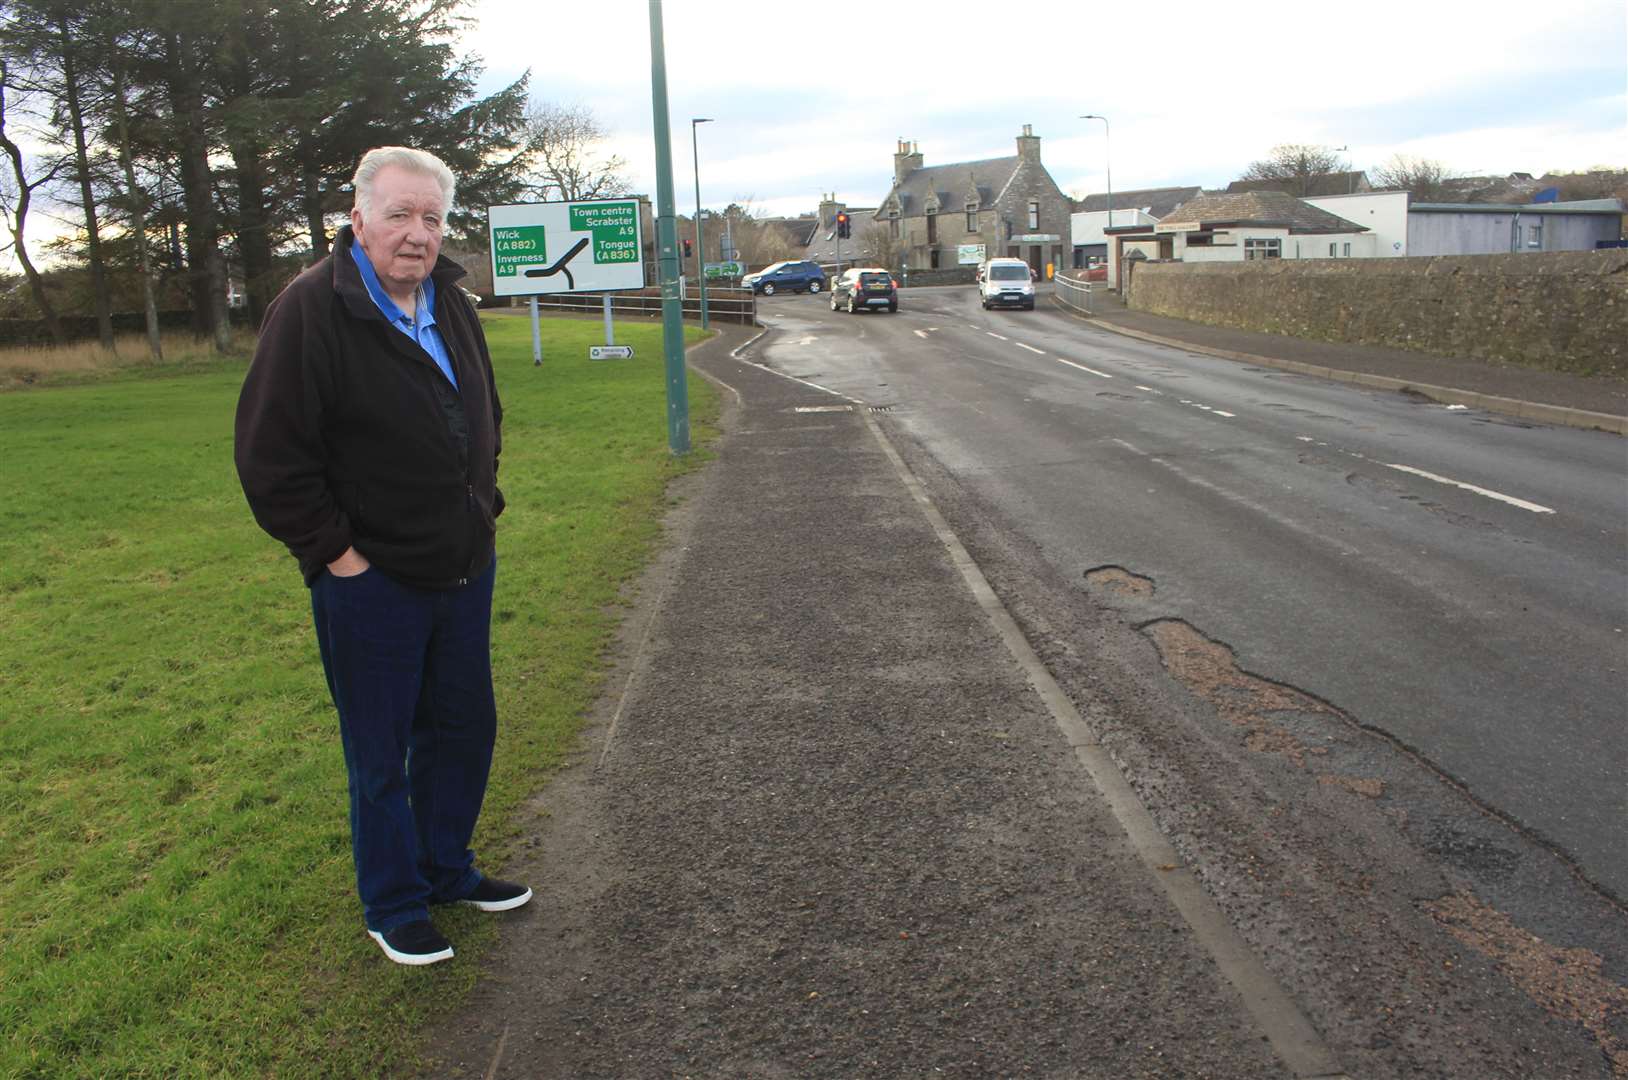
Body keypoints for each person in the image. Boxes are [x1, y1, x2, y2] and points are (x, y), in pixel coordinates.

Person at [235, 146, 528, 966]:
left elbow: (484, 413)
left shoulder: (448, 299)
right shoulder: (311, 310)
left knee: (462, 728)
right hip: (371, 582)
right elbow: (270, 458)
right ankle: (393, 903)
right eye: (400, 214)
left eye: (431, 218)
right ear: (358, 217)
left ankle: (445, 869)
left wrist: (484, 506)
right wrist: (340, 557)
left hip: (464, 564)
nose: (417, 234)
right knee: (381, 747)